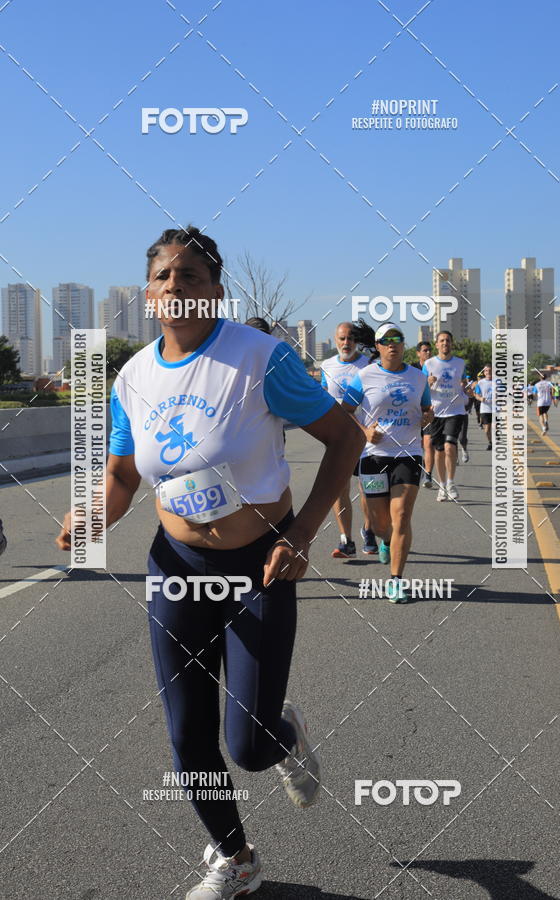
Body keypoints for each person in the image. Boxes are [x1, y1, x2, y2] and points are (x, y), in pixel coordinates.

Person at [56, 226, 365, 899]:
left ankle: (285, 736)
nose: (177, 288)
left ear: (215, 292)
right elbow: (122, 481)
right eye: (165, 277)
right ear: (148, 294)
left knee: (250, 747)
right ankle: (236, 857)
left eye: (191, 276)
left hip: (260, 564)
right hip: (176, 566)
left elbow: (346, 438)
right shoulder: (133, 377)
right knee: (187, 734)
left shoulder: (260, 358)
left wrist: (304, 532)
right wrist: (87, 518)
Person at [341, 322, 432, 603]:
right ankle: (385, 540)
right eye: (386, 340)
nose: (393, 343)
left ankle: (396, 580)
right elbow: (345, 410)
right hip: (372, 456)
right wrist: (365, 430)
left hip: (408, 453)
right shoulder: (365, 376)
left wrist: (428, 417)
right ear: (378, 347)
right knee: (381, 524)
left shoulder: (418, 378)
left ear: (404, 345)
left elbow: (427, 409)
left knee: (401, 514)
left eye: (398, 338)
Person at [320, 322, 377, 556]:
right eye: (342, 338)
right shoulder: (327, 365)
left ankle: (369, 530)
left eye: (351, 339)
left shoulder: (368, 365)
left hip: (365, 439)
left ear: (356, 342)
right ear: (335, 339)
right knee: (339, 489)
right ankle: (346, 541)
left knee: (367, 489)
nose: (346, 343)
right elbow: (323, 397)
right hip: (337, 439)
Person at [421, 331, 469, 502]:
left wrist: (467, 387)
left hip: (455, 411)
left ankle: (450, 482)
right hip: (436, 412)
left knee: (450, 446)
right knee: (439, 451)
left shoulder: (460, 363)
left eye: (448, 340)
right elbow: (422, 387)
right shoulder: (429, 363)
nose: (445, 343)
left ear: (452, 343)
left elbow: (465, 383)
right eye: (441, 341)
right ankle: (441, 485)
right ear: (436, 344)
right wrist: (428, 383)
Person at [412, 340, 435, 487]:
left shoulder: (437, 366)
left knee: (428, 443)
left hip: (429, 410)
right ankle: (418, 468)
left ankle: (428, 475)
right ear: (418, 353)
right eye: (425, 350)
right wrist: (427, 381)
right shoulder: (412, 369)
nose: (428, 353)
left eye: (429, 350)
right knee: (418, 444)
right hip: (413, 411)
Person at [473, 364, 494, 449]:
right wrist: (481, 398)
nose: (488, 372)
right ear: (484, 372)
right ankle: (490, 442)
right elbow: (476, 395)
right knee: (487, 429)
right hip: (485, 408)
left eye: (490, 370)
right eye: (486, 371)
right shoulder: (480, 383)